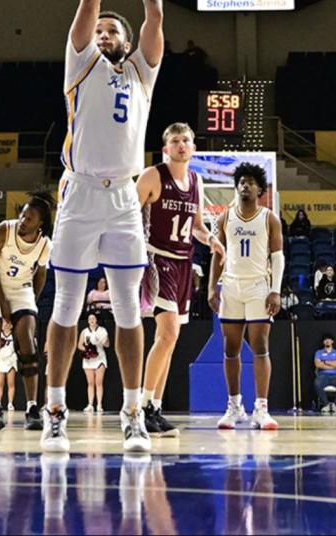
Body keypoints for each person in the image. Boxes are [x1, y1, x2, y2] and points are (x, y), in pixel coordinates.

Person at [40, 0, 165, 455]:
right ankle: (55, 410)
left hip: (123, 201)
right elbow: (89, 0)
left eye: (117, 29)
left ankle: (132, 411)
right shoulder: (82, 63)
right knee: (66, 308)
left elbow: (156, 20)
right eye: (104, 29)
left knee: (128, 309)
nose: (108, 32)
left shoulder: (140, 73)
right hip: (81, 193)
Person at [137, 122, 224, 438]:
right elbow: (129, 215)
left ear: (194, 147)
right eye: (175, 140)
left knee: (170, 340)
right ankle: (141, 406)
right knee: (168, 332)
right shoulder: (152, 176)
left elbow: (198, 225)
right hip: (156, 259)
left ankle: (155, 408)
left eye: (186, 140)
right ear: (166, 148)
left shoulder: (197, 180)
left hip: (184, 263)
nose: (181, 145)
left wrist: (211, 239)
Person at [207, 163, 283, 430]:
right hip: (231, 286)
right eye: (241, 181)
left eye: (251, 182)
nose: (245, 185)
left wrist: (276, 289)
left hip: (258, 286)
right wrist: (211, 288)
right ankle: (234, 406)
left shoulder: (269, 218)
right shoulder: (224, 218)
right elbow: (217, 255)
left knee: (260, 345)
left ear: (260, 189)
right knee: (230, 348)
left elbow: (278, 257)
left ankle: (261, 408)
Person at [0, 192, 53, 431]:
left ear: (40, 223)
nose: (23, 220)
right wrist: (2, 303)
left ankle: (32, 407)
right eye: (22, 214)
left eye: (30, 218)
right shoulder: (3, 230)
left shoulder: (44, 244)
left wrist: (32, 300)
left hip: (21, 287)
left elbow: (41, 273)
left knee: (27, 344)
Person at [79, 313, 109, 414]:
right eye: (89, 319)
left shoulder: (102, 330)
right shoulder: (84, 331)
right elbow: (79, 345)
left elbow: (107, 344)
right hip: (89, 359)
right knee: (90, 383)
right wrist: (87, 351)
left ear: (96, 320)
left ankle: (99, 405)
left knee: (99, 383)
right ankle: (90, 404)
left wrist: (101, 342)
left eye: (93, 318)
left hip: (100, 357)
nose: (91, 320)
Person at [313, 334, 336, 414]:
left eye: (329, 340)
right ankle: (326, 405)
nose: (327, 341)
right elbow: (318, 364)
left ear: (332, 341)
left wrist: (325, 362)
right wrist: (333, 366)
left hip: (335, 376)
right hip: (323, 375)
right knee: (317, 384)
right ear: (323, 342)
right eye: (325, 340)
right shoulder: (319, 352)